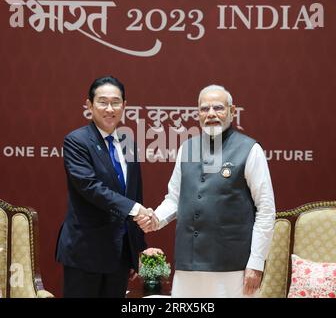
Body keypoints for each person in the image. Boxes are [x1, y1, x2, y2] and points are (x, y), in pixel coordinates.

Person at [135, 85, 275, 298]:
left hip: (232, 267)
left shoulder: (250, 149)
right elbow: (174, 198)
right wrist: (156, 219)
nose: (210, 114)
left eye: (218, 107)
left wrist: (256, 263)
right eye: (204, 108)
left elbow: (265, 210)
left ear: (232, 111)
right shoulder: (186, 148)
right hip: (188, 264)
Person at [56, 76, 152, 298]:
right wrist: (137, 209)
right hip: (85, 253)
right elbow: (90, 186)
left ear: (124, 106)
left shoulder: (128, 143)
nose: (110, 109)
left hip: (118, 255)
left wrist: (137, 248)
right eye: (102, 102)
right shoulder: (77, 141)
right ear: (89, 105)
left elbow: (134, 194)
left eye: (116, 102)